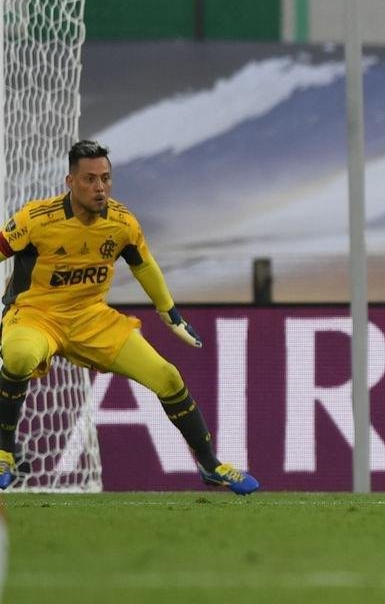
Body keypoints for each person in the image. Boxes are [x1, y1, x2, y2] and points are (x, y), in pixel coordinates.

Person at [0, 141, 258, 495]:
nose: (99, 187)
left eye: (105, 178)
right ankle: (4, 454)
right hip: (36, 316)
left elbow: (144, 266)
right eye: (89, 179)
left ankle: (210, 464)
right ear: (70, 181)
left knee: (168, 377)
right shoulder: (36, 219)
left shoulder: (122, 223)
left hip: (92, 320)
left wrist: (170, 312)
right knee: (19, 356)